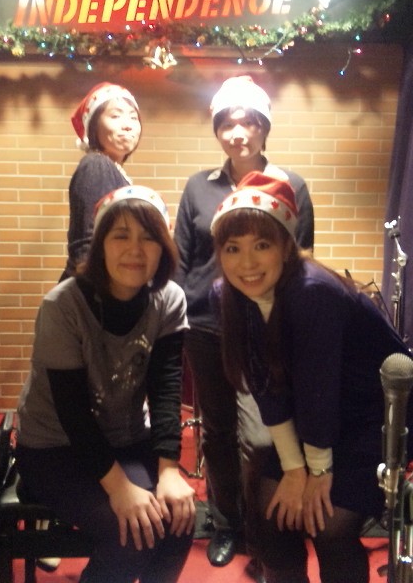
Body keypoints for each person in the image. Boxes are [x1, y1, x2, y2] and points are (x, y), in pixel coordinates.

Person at [210, 171, 413, 583]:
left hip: (371, 417)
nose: (246, 263)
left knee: (328, 526)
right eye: (233, 248)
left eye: (262, 245)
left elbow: (319, 387)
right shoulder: (226, 295)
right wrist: (293, 468)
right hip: (311, 413)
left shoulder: (313, 291)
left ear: (286, 246)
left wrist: (316, 473)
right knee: (271, 516)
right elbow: (266, 387)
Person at [16, 185, 196, 583]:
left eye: (149, 237)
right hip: (54, 446)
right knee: (131, 534)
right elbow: (73, 413)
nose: (135, 249)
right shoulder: (63, 305)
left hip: (125, 437)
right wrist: (119, 489)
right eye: (121, 235)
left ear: (163, 247)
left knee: (179, 520)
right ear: (100, 245)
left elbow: (166, 388)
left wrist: (169, 470)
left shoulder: (169, 299)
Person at [174, 75, 314, 573]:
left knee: (261, 435)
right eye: (227, 123)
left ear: (264, 127)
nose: (238, 133)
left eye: (248, 122)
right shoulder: (198, 186)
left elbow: (301, 258)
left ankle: (262, 528)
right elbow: (182, 260)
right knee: (216, 431)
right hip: (206, 327)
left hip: (263, 328)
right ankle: (227, 523)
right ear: (217, 130)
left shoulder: (291, 184)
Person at [60, 81, 142, 281]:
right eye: (115, 116)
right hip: (95, 290)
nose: (127, 124)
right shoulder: (96, 165)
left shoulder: (112, 169)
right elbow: (85, 246)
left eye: (133, 117)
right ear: (93, 126)